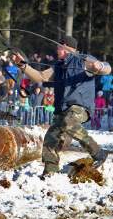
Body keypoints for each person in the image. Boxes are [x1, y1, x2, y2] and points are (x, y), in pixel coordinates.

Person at [14, 35, 112, 178]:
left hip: (79, 107)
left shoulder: (83, 60)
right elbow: (40, 76)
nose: (57, 49)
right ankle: (50, 171)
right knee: (50, 139)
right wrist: (22, 65)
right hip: (62, 110)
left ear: (67, 47)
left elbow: (107, 68)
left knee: (69, 122)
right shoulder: (58, 66)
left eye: (59, 46)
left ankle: (98, 153)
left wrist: (100, 66)